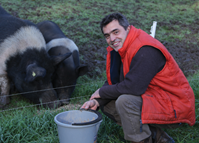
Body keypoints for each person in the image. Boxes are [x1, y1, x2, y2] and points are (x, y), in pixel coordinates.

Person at [81, 13, 195, 143]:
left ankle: (141, 140)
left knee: (125, 101)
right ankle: (157, 136)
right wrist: (98, 101)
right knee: (108, 104)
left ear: (128, 29)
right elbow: (115, 83)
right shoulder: (121, 48)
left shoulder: (145, 49)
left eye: (116, 32)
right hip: (154, 97)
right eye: (107, 35)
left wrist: (101, 92)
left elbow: (133, 87)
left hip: (176, 105)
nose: (112, 39)